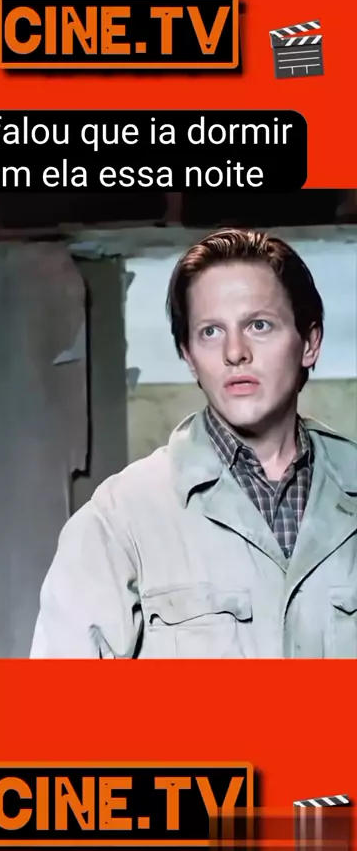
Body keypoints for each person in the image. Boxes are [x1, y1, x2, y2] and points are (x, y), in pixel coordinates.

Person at [30, 228, 357, 659]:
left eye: (259, 325)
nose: (235, 352)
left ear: (309, 344)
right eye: (210, 332)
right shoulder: (120, 518)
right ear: (188, 357)